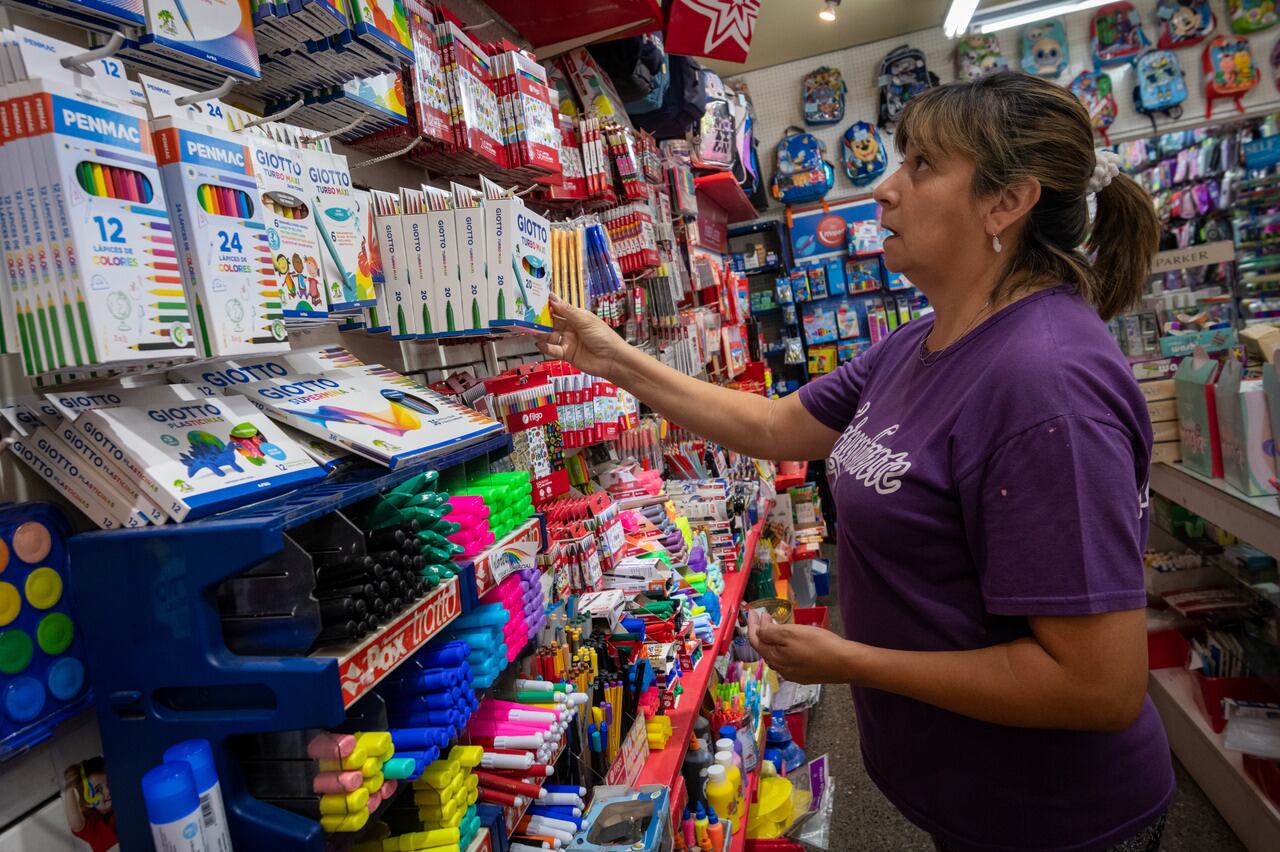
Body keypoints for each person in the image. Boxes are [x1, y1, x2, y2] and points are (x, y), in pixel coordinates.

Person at [535, 71, 1174, 852]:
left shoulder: (1047, 387)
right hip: (973, 801)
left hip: (1056, 821)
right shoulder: (922, 340)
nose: (885, 188)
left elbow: (1097, 685)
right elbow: (773, 425)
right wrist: (617, 359)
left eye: (923, 166)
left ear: (1006, 204)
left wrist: (855, 661)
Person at [61, 757, 117, 852]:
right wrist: (69, 790)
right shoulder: (93, 822)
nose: (107, 790)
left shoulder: (126, 800)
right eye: (98, 790)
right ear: (87, 802)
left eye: (109, 782)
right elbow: (76, 824)